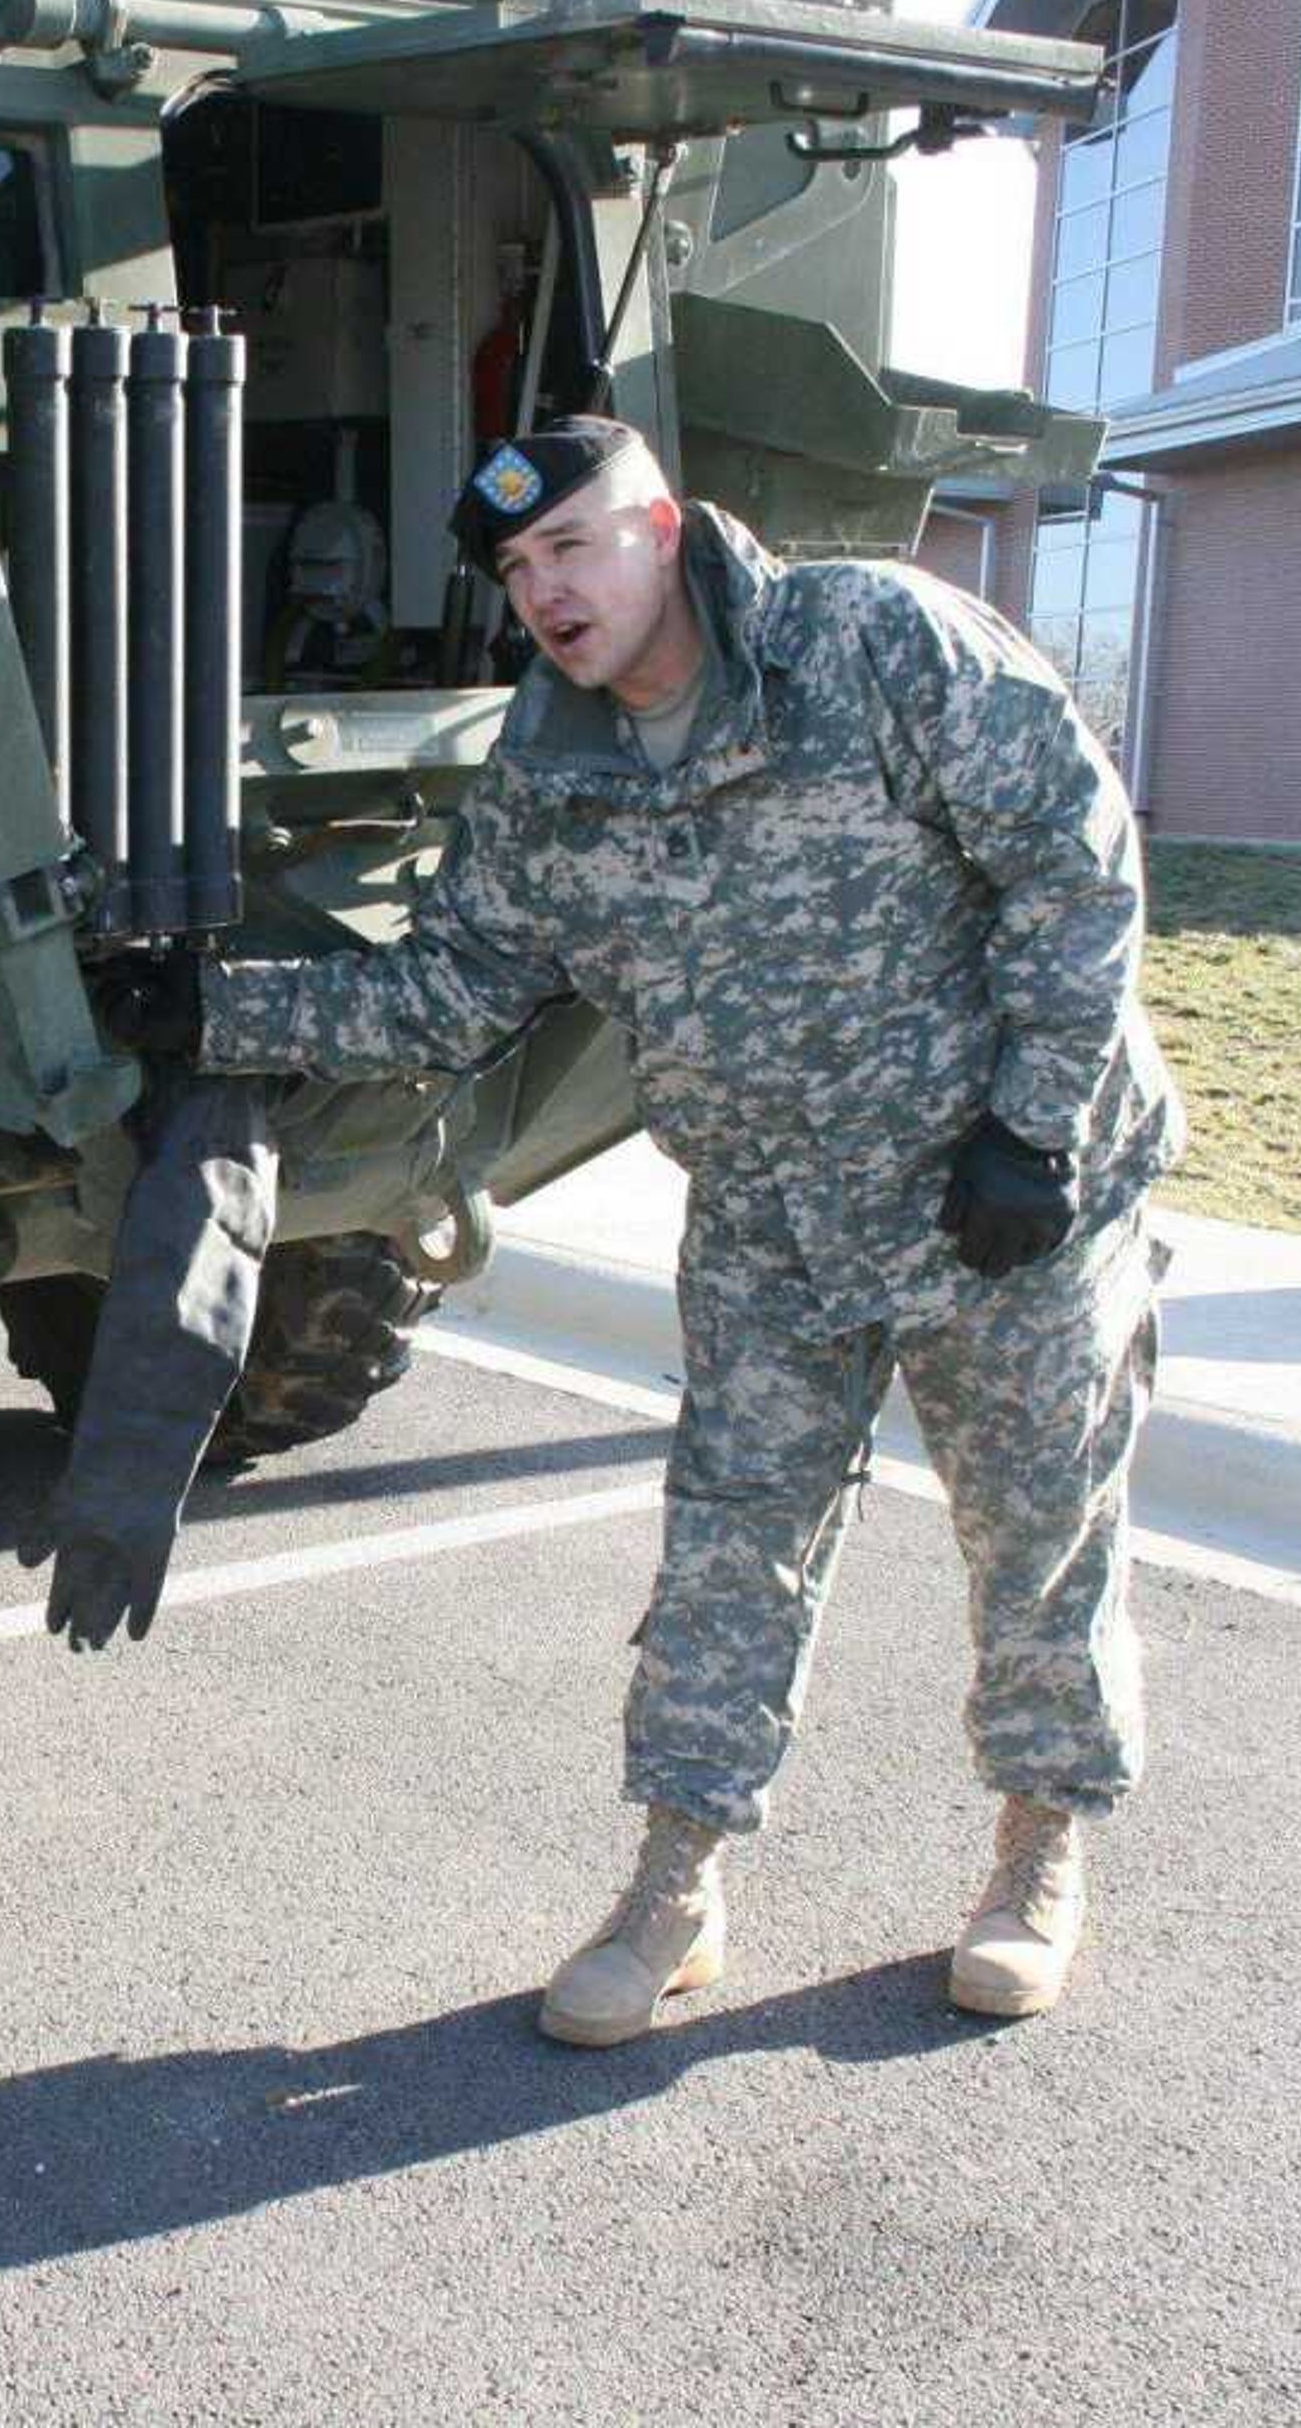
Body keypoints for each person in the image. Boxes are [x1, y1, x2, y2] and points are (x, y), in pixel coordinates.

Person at [98, 418, 1181, 2042]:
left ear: (666, 529)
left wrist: (1034, 1121)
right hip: (772, 1219)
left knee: (1036, 1533)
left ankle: (1039, 1852)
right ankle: (677, 1885)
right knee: (727, 1550)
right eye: (518, 568)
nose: (547, 590)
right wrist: (213, 1012)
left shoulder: (870, 640)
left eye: (576, 544)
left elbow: (1074, 861)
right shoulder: (552, 781)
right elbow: (446, 991)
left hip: (1005, 1198)